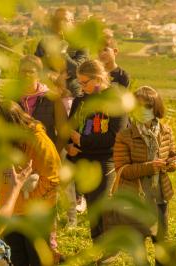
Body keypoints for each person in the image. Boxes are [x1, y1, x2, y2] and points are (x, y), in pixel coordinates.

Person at [0, 101, 61, 266]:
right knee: (16, 259)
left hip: (34, 214)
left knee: (37, 259)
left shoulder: (38, 140)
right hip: (9, 211)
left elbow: (52, 179)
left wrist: (26, 203)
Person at [113, 86, 176, 264]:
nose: (143, 111)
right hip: (136, 197)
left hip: (159, 196)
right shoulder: (124, 136)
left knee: (161, 241)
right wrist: (150, 167)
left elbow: (173, 154)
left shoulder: (166, 131)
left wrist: (173, 163)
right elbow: (122, 169)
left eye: (148, 107)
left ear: (156, 108)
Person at [66, 59, 126, 243]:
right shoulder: (81, 100)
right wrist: (70, 146)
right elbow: (71, 128)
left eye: (85, 82)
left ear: (98, 78)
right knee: (93, 209)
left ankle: (107, 252)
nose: (81, 87)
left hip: (105, 161)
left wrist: (82, 140)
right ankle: (98, 247)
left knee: (102, 208)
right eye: (79, 82)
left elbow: (115, 137)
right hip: (83, 161)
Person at [18, 55, 68, 152]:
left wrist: (53, 154)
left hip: (44, 156)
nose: (26, 75)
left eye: (31, 71)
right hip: (19, 158)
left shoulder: (53, 99)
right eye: (23, 71)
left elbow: (64, 133)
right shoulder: (11, 99)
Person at [35, 8, 88, 97]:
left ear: (72, 22)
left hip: (74, 91)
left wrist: (63, 54)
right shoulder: (44, 42)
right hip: (48, 89)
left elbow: (79, 70)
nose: (60, 23)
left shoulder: (81, 44)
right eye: (57, 20)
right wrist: (52, 75)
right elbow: (36, 67)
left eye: (64, 20)